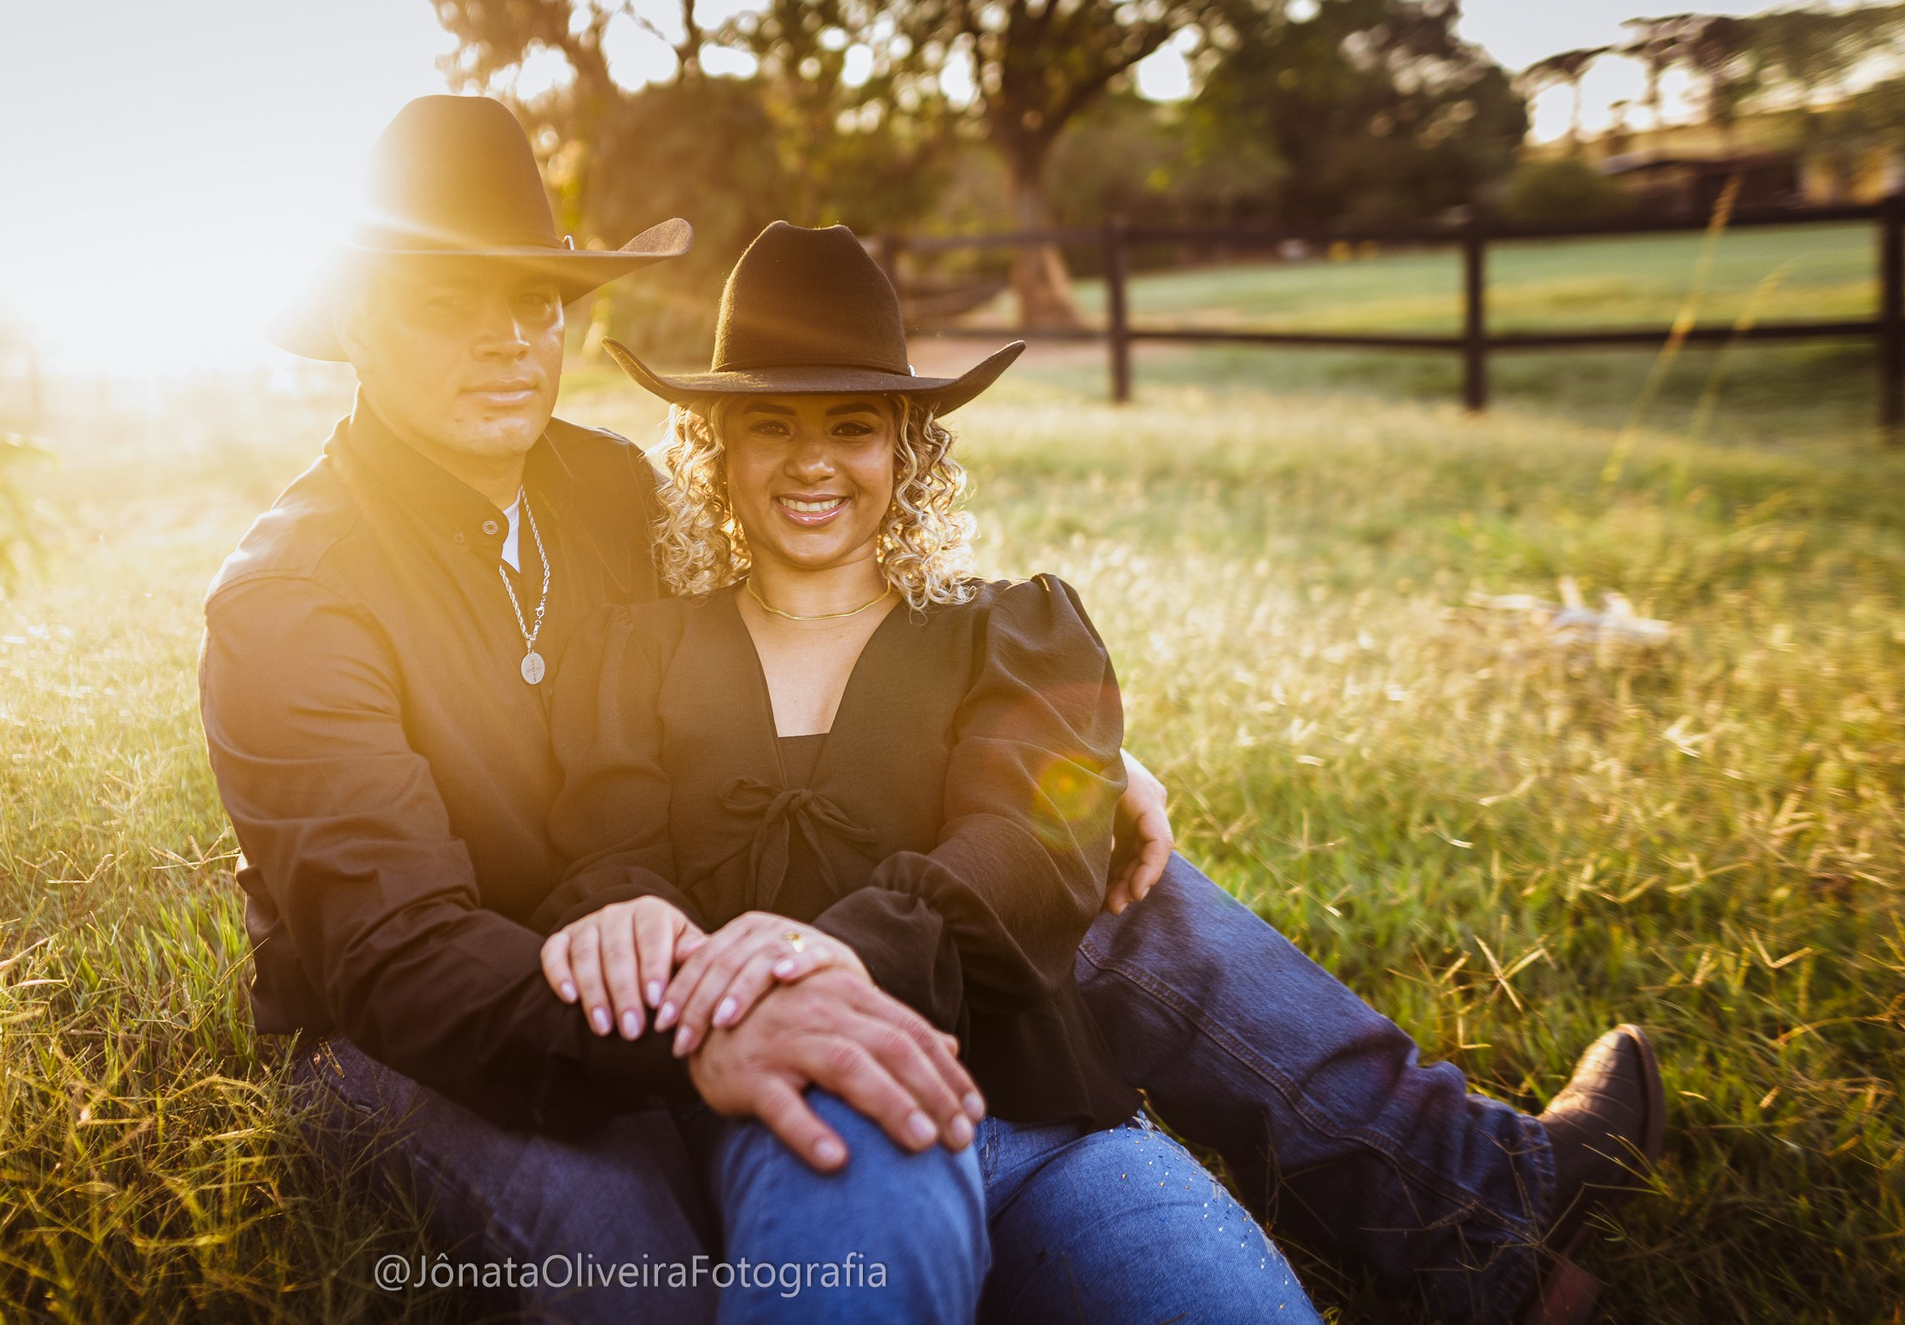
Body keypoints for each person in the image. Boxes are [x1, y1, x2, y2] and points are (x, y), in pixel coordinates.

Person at [199, 94, 1664, 1325]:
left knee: (1079, 876)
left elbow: (809, 626)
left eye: (535, 299)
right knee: (644, 1254)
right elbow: (394, 954)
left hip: (663, 926)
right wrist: (705, 1026)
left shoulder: (599, 486)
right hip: (419, 1019)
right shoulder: (292, 593)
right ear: (361, 328)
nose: (509, 340)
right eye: (452, 303)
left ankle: (1478, 1191)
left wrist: (1073, 759)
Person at [532, 220, 1317, 1319]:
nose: (812, 459)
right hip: (802, 1119)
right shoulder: (633, 652)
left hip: (1043, 1129)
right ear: (716, 450)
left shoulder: (1010, 630)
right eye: (771, 423)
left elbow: (1032, 851)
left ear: (905, 451)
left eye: (852, 424)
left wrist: (839, 942)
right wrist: (624, 908)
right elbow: (607, 853)